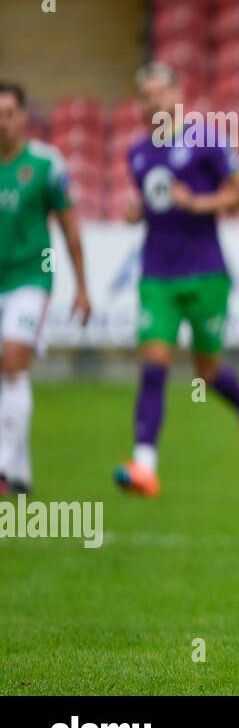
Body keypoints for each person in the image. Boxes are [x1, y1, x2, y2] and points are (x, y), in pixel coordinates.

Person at [115, 63, 239, 496]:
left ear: (178, 94)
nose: (152, 102)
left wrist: (197, 202)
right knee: (154, 364)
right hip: (156, 275)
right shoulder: (138, 154)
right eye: (145, 95)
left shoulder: (202, 139)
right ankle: (145, 463)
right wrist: (138, 211)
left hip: (206, 273)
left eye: (160, 93)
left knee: (208, 370)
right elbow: (154, 203)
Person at [0, 81, 91, 495]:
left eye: (10, 114)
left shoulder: (44, 164)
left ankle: (2, 464)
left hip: (31, 277)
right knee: (8, 373)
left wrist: (82, 287)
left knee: (14, 358)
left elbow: (70, 227)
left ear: (23, 117)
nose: (3, 123)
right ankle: (20, 470)